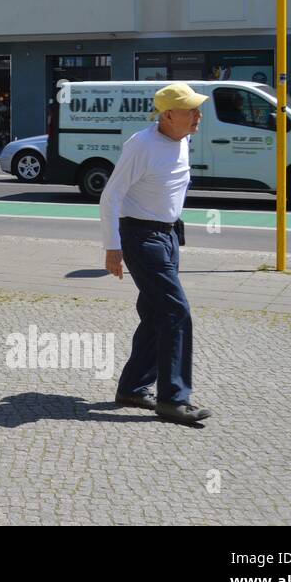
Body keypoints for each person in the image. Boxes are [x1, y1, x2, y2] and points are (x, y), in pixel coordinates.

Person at [101, 83, 214, 425]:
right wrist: (112, 247)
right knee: (176, 311)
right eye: (192, 109)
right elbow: (111, 196)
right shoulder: (142, 145)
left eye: (198, 108)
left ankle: (133, 388)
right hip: (141, 237)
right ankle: (173, 399)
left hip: (166, 235)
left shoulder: (182, 139)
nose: (199, 115)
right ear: (168, 115)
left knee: (155, 315)